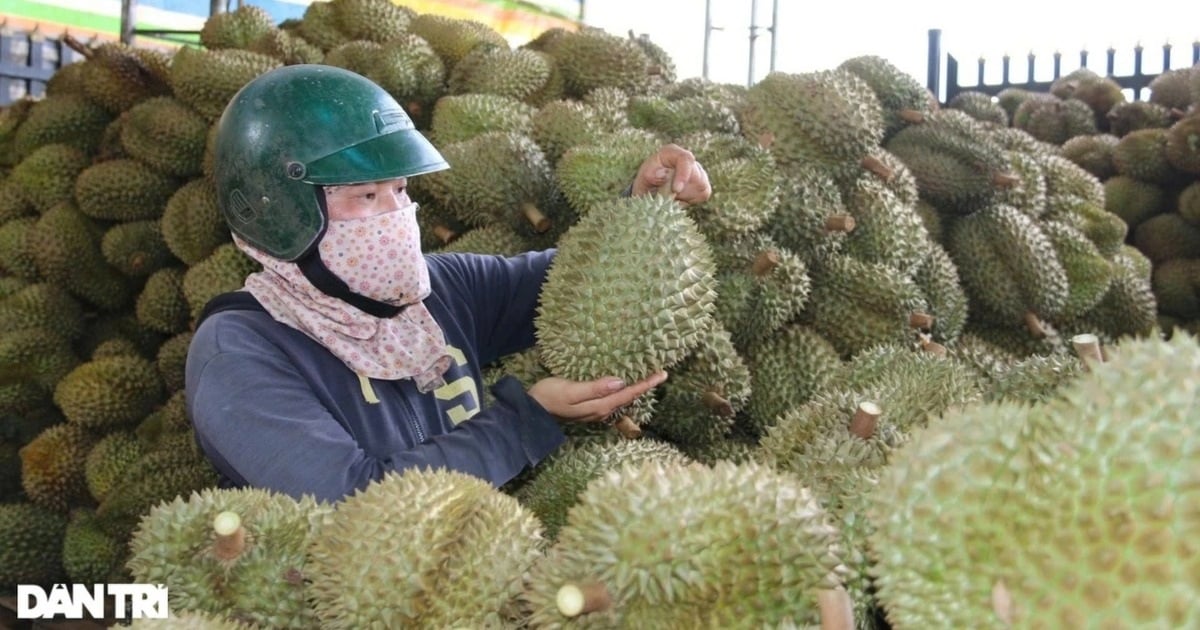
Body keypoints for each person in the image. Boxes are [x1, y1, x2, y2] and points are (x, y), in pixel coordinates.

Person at [184, 64, 713, 503]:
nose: (395, 213)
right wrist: (524, 419)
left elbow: (573, 281)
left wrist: (642, 208)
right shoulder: (239, 355)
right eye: (366, 197)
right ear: (280, 216)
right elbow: (353, 503)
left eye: (400, 189)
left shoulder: (439, 290)